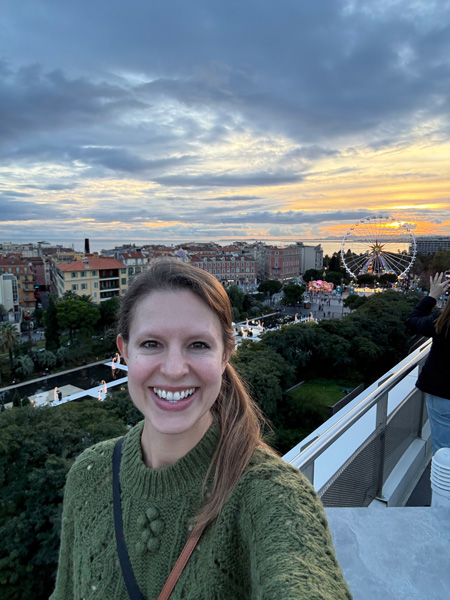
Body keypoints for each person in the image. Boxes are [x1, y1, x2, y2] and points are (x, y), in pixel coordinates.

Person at [51, 259, 352, 600]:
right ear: (125, 352)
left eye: (198, 345)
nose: (174, 370)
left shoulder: (271, 494)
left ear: (225, 356)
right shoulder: (89, 474)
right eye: (151, 344)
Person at [406, 272, 450, 454]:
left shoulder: (442, 323)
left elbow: (412, 320)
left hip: (442, 394)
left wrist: (432, 296)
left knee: (443, 451)